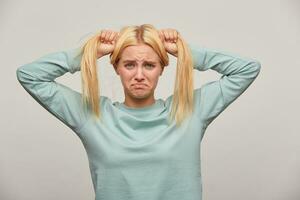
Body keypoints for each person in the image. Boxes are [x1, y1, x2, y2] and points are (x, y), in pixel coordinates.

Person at [16, 24, 261, 200]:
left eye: (150, 65)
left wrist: (186, 51)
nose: (140, 75)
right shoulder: (92, 115)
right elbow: (30, 75)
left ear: (162, 68)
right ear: (117, 68)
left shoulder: (189, 110)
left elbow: (247, 69)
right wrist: (89, 53)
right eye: (129, 64)